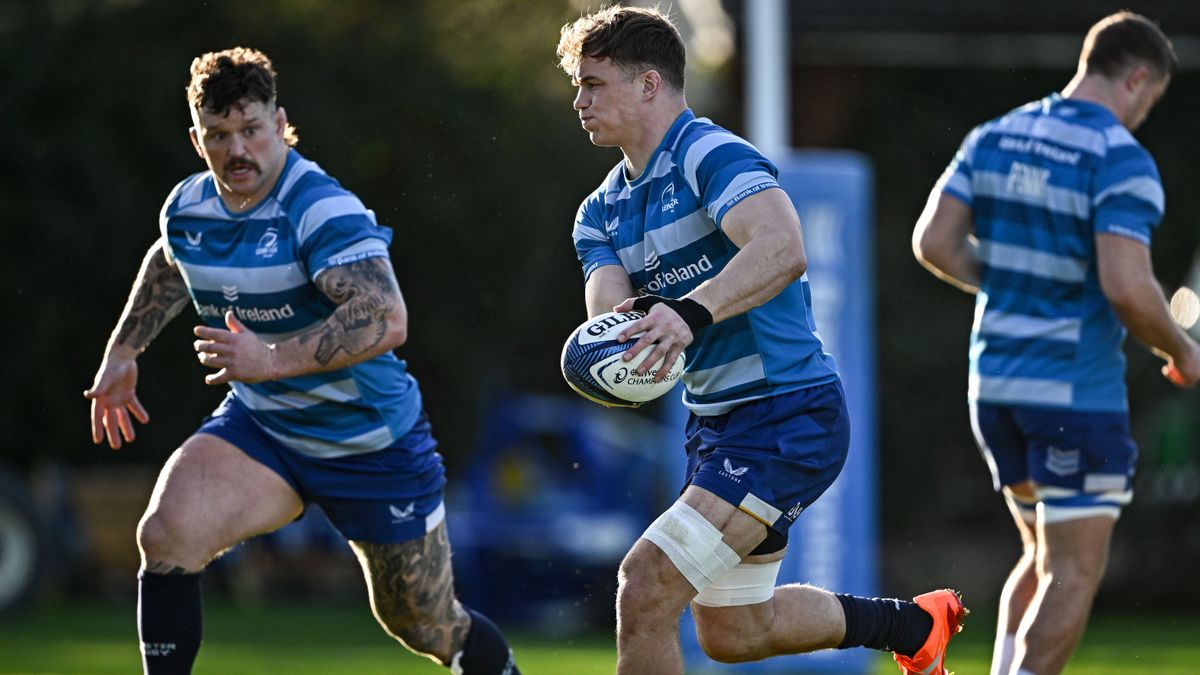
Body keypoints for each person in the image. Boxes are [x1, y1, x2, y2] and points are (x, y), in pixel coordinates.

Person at [83, 47, 519, 675]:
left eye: (251, 129)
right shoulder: (189, 207)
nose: (237, 150)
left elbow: (385, 315)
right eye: (218, 135)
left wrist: (270, 359)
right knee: (167, 533)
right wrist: (123, 351)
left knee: (422, 622)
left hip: (370, 443)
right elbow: (171, 261)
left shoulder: (318, 208)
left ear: (280, 122)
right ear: (197, 140)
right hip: (266, 430)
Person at [557, 7, 965, 674]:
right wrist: (623, 344)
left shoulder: (708, 154)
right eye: (579, 87)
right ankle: (913, 625)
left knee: (646, 584)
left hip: (785, 413)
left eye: (594, 84)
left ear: (649, 83)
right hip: (717, 426)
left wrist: (688, 313)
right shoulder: (599, 212)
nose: (580, 102)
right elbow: (609, 311)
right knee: (735, 631)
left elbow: (782, 245)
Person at [913, 12, 1200, 675]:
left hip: (994, 387)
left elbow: (933, 242)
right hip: (1072, 393)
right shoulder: (1118, 157)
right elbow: (1126, 286)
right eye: (1150, 100)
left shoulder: (995, 135)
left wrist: (1014, 283)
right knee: (1074, 568)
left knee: (1040, 554)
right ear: (1137, 78)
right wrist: (1181, 350)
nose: (1142, 116)